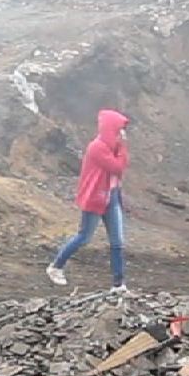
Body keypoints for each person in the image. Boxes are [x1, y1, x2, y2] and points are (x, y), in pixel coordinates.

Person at [47, 109, 130, 289]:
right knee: (84, 237)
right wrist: (123, 148)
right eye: (119, 130)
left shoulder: (112, 147)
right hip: (95, 198)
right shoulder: (97, 147)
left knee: (117, 242)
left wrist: (121, 148)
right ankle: (56, 267)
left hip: (111, 195)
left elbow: (121, 165)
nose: (122, 134)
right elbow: (117, 167)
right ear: (110, 129)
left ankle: (118, 285)